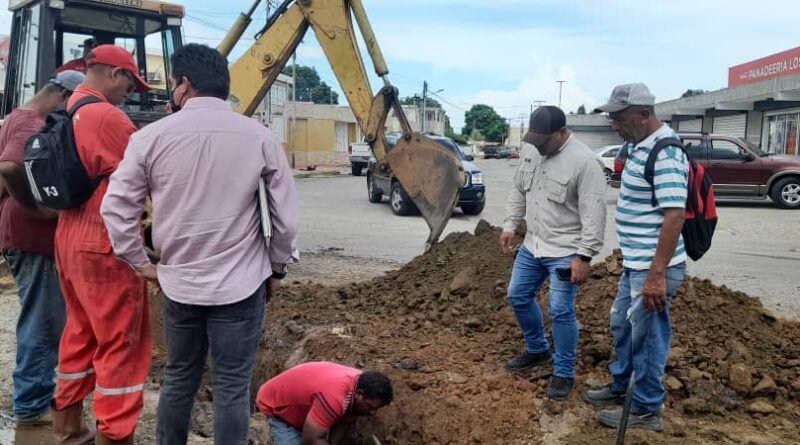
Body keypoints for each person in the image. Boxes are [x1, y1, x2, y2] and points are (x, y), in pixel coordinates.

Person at [100, 43, 299, 445]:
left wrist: (140, 262)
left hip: (179, 283)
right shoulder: (259, 138)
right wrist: (276, 268)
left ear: (184, 84)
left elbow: (116, 209)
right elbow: (286, 221)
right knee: (230, 386)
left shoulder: (150, 138)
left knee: (179, 377)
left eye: (173, 84)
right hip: (241, 286)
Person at [51, 45, 151, 445]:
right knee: (121, 342)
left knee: (79, 332)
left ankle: (67, 429)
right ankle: (116, 436)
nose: (131, 90)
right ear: (112, 73)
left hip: (68, 236)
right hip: (103, 240)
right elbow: (147, 176)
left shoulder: (66, 108)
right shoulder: (108, 117)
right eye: (130, 81)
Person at [583, 83, 688, 432]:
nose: (614, 124)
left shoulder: (666, 151)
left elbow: (675, 214)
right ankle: (620, 386)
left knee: (648, 337)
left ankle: (645, 409)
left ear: (644, 115)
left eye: (619, 117)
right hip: (637, 264)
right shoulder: (639, 146)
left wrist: (656, 274)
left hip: (653, 269)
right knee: (623, 325)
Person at [499, 105, 607, 400]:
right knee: (517, 295)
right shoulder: (533, 150)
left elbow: (594, 214)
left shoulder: (584, 162)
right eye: (534, 140)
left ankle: (564, 371)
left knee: (560, 309)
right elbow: (518, 190)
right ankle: (537, 350)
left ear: (562, 133)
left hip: (566, 249)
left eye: (543, 141)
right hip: (533, 245)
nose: (538, 146)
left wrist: (584, 256)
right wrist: (510, 225)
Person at [0, 70, 84, 426]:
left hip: (19, 235)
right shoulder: (32, 124)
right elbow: (9, 167)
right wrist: (35, 208)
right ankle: (32, 405)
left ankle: (34, 394)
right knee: (44, 321)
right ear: (63, 95)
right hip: (33, 238)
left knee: (41, 317)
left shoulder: (16, 116)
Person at [256, 362, 393, 445]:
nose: (372, 413)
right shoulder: (335, 397)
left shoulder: (361, 384)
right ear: (359, 394)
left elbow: (346, 421)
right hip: (275, 408)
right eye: (370, 407)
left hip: (305, 407)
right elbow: (310, 440)